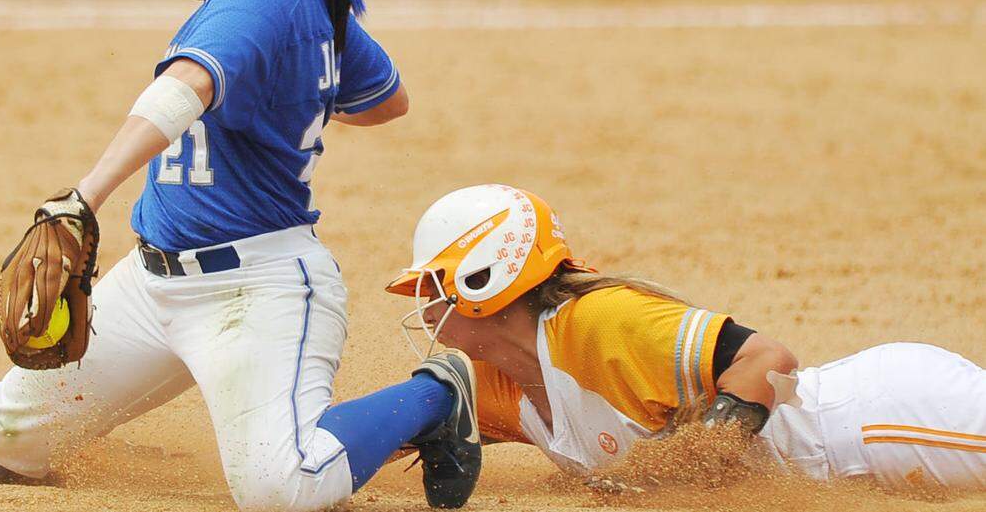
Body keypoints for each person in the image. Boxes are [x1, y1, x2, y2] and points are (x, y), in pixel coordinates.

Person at [0, 0, 482, 510]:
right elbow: (386, 101)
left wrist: (85, 197)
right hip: (151, 290)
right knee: (8, 442)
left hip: (255, 291)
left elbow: (185, 87)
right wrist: (284, 95)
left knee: (279, 489)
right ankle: (3, 428)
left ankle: (436, 395)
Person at [385, 184, 986, 497]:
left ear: (487, 279)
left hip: (878, 425)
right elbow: (365, 439)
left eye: (432, 283)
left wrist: (685, 463)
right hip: (854, 457)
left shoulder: (600, 323)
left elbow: (767, 360)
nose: (422, 301)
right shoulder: (500, 383)